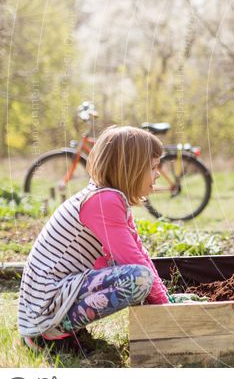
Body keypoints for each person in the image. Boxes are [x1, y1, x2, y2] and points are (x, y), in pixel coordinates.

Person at [17, 126, 182, 355]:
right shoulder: (104, 200)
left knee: (138, 274)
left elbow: (139, 252)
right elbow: (132, 260)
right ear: (131, 169)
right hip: (46, 299)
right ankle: (47, 335)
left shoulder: (112, 197)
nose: (157, 174)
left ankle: (61, 328)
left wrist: (165, 299)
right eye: (153, 168)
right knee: (138, 279)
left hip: (59, 291)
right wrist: (165, 309)